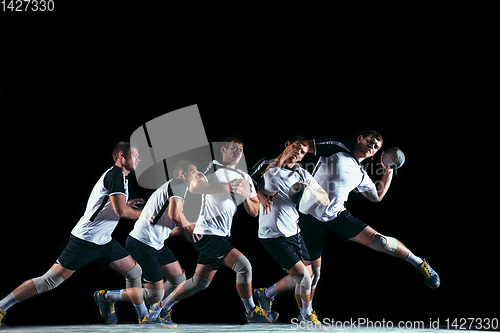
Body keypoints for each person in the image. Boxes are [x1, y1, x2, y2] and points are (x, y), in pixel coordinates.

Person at [0, 142, 148, 326]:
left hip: (104, 240)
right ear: (121, 155)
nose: (139, 159)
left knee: (134, 271)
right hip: (86, 240)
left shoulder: (122, 177)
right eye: (135, 155)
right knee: (49, 281)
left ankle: (142, 316)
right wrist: (146, 214)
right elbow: (122, 212)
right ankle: (1, 307)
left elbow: (116, 206)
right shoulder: (115, 175)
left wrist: (127, 204)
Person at [297, 131, 440, 312]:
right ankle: (304, 313)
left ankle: (419, 263)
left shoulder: (361, 174)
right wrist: (285, 164)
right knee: (313, 275)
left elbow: (377, 196)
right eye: (370, 141)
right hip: (309, 219)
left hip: (337, 216)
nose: (372, 145)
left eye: (376, 146)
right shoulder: (336, 148)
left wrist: (388, 171)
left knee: (381, 241)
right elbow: (302, 146)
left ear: (375, 154)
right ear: (360, 139)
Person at [150, 137, 272, 324]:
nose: (238, 152)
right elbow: (194, 186)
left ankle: (161, 308)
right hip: (206, 232)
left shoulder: (245, 177)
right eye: (233, 148)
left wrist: (245, 195)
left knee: (199, 283)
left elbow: (254, 211)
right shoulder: (212, 167)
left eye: (240, 150)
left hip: (221, 234)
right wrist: (227, 187)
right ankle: (251, 312)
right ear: (223, 150)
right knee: (244, 266)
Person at [93, 160, 201, 327]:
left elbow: (169, 230)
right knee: (153, 295)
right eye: (193, 172)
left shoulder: (179, 192)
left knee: (178, 280)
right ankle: (107, 296)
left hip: (156, 244)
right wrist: (188, 225)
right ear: (181, 173)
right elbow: (174, 215)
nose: (197, 175)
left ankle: (152, 316)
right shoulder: (178, 184)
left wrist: (188, 228)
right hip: (141, 242)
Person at [250, 136, 329, 331]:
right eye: (296, 147)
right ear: (287, 144)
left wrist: (311, 191)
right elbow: (243, 184)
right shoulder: (266, 166)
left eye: (303, 152)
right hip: (272, 234)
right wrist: (259, 195)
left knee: (305, 277)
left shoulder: (301, 174)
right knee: (304, 278)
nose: (298, 152)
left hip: (294, 231)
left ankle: (266, 294)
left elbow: (326, 199)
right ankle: (306, 316)